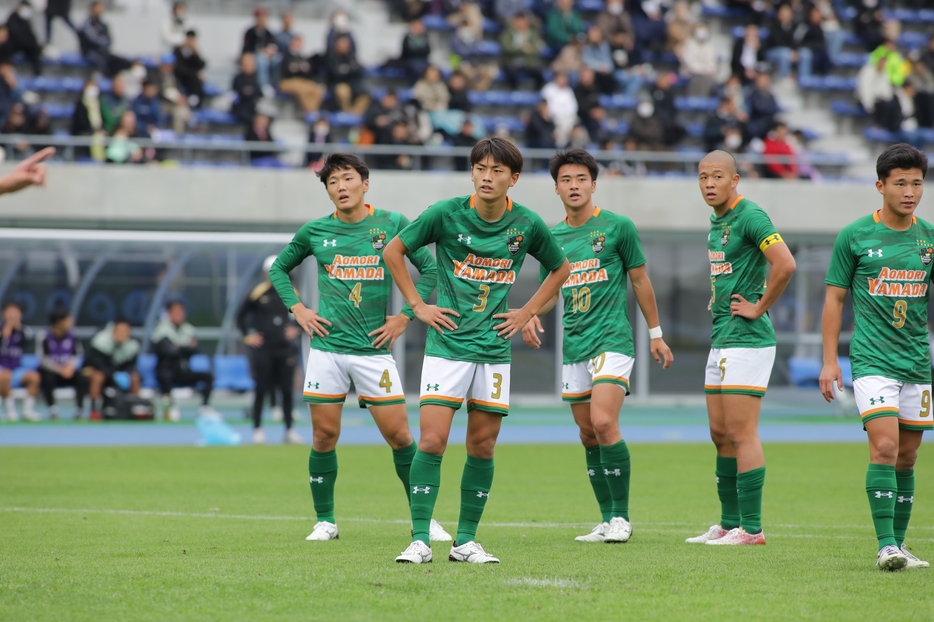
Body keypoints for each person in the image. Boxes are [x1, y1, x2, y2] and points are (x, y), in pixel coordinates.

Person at [384, 137, 570, 565]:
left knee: (483, 447)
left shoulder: (526, 224)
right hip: (447, 345)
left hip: (494, 349)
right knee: (431, 441)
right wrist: (417, 306)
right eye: (480, 168)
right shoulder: (445, 214)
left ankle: (465, 541)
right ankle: (419, 540)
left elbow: (561, 268)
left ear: (514, 178)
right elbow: (395, 250)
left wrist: (527, 311)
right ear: (472, 172)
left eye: (497, 171)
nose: (487, 176)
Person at [267, 153, 447, 543]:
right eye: (333, 182)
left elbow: (431, 270)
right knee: (322, 437)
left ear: (365, 184)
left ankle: (425, 519)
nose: (341, 187)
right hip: (327, 350)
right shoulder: (315, 231)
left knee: (400, 437)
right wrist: (299, 310)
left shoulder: (392, 224)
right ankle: (325, 520)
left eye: (348, 179)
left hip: (373, 352)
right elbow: (278, 269)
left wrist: (404, 317)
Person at [522, 149, 673, 543]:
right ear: (556, 188)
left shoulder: (618, 227)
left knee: (605, 422)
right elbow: (550, 291)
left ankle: (622, 517)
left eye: (580, 179)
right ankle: (606, 519)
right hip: (575, 345)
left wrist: (656, 333)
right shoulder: (552, 238)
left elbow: (640, 281)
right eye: (566, 180)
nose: (573, 186)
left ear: (593, 183)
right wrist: (534, 312)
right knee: (588, 433)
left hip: (612, 339)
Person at [819, 144, 930, 571]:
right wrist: (831, 361)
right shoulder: (855, 235)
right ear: (880, 186)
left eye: (917, 183)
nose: (909, 191)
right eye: (900, 183)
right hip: (871, 360)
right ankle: (886, 545)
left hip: (917, 364)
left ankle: (899, 545)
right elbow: (834, 300)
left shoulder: (929, 238)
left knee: (908, 457)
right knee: (884, 446)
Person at [686, 150, 796, 546]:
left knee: (741, 431)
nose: (709, 183)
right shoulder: (716, 223)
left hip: (748, 340)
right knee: (719, 433)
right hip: (723, 337)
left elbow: (784, 264)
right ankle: (729, 523)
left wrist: (759, 306)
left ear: (735, 180)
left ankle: (752, 528)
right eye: (702, 177)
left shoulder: (750, 215)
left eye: (717, 176)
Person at [236, 255, 302, 444]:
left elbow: (306, 315)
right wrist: (248, 336)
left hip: (285, 350)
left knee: (287, 392)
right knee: (261, 390)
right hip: (263, 350)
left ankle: (289, 430)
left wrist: (296, 329)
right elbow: (239, 317)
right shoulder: (257, 293)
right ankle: (257, 429)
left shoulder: (292, 293)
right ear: (266, 274)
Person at [151, 300, 215, 421]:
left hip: (183, 370)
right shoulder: (161, 330)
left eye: (181, 312)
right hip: (166, 370)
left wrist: (177, 347)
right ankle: (170, 407)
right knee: (166, 376)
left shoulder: (188, 329)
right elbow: (168, 351)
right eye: (175, 312)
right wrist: (185, 347)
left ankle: (205, 408)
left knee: (208, 376)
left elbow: (196, 349)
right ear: (169, 313)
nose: (178, 315)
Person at [82, 319, 140, 421]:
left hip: (118, 375)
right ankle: (94, 410)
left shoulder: (132, 346)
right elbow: (96, 364)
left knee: (134, 377)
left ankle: (134, 408)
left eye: (125, 332)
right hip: (102, 373)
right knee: (98, 377)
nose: (121, 334)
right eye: (119, 331)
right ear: (113, 331)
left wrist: (124, 375)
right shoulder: (100, 342)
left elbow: (131, 366)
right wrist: (113, 375)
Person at [38, 306, 85, 421]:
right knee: (46, 377)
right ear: (59, 322)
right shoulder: (44, 335)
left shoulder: (73, 334)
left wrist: (70, 367)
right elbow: (43, 359)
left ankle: (79, 411)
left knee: (82, 378)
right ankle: (53, 410)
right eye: (69, 319)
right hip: (52, 371)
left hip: (68, 370)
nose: (71, 321)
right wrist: (60, 370)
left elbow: (78, 354)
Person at [0, 301, 40, 421]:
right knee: (4, 376)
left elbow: (27, 343)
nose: (13, 315)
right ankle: (10, 410)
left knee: (34, 377)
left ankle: (27, 411)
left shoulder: (24, 330)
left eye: (16, 312)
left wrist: (16, 329)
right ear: (4, 314)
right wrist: (5, 335)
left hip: (16, 369)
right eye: (10, 312)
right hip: (2, 368)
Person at [79, 1, 130, 77]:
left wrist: (104, 43)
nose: (98, 13)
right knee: (104, 62)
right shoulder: (87, 25)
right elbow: (91, 40)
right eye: (96, 10)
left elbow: (109, 40)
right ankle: (109, 79)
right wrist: (102, 42)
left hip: (103, 52)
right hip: (90, 52)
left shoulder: (103, 25)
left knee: (120, 61)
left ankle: (117, 79)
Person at [499, 12, 545, 91]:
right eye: (519, 21)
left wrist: (528, 49)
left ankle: (537, 90)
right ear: (515, 21)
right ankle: (514, 90)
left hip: (529, 61)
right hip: (511, 61)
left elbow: (536, 47)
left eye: (523, 21)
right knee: (511, 71)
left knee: (538, 71)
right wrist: (522, 49)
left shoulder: (532, 33)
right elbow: (507, 47)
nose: (521, 23)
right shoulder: (508, 33)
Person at [278, 35, 324, 114]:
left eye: (299, 43)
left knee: (318, 90)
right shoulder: (285, 56)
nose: (298, 45)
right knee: (303, 90)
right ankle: (310, 113)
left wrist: (299, 69)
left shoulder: (303, 57)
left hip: (302, 81)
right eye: (296, 43)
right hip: (288, 81)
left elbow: (308, 72)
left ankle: (312, 111)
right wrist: (300, 69)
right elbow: (288, 71)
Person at [241, 6, 278, 91]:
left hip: (268, 57)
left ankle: (275, 85)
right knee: (261, 60)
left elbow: (273, 45)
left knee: (277, 60)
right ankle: (264, 86)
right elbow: (246, 48)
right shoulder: (250, 32)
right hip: (254, 55)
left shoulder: (268, 33)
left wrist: (270, 51)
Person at [6, 1, 42, 76]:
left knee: (35, 51)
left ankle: (37, 75)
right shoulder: (13, 18)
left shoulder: (25, 20)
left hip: (26, 45)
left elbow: (30, 35)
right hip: (14, 44)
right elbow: (15, 34)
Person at [173, 29, 206, 108]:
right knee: (194, 78)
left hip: (192, 78)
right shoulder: (178, 50)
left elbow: (201, 65)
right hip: (181, 77)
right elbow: (179, 68)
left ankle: (197, 103)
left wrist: (195, 53)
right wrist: (195, 73)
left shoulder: (193, 52)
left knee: (198, 81)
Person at [231, 53, 261, 127]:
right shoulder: (238, 78)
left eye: (251, 64)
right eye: (247, 64)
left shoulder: (255, 79)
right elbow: (240, 93)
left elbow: (259, 93)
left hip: (252, 107)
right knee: (252, 119)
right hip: (240, 108)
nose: (250, 67)